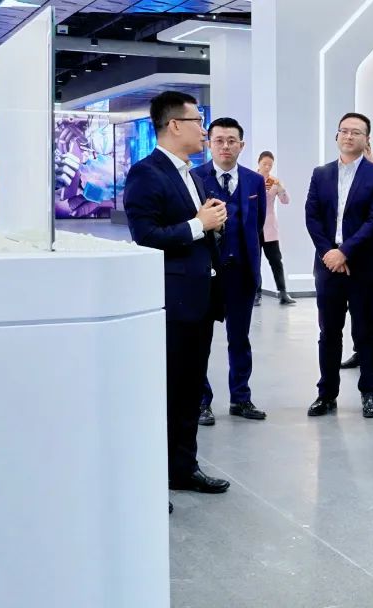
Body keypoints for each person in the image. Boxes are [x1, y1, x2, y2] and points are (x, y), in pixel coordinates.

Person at [123, 91, 229, 498]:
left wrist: (212, 223)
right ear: (174, 125)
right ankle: (156, 479)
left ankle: (183, 469)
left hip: (200, 300)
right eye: (198, 121)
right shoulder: (146, 174)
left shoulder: (192, 175)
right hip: (173, 303)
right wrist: (199, 224)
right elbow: (145, 236)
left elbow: (196, 228)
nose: (204, 130)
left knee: (189, 392)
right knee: (168, 393)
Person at [305, 113, 373, 418]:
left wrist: (345, 252)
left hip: (363, 266)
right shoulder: (321, 174)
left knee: (367, 331)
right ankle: (326, 394)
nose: (349, 136)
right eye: (344, 130)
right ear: (337, 136)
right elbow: (312, 216)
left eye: (356, 132)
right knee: (329, 332)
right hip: (328, 267)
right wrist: (329, 253)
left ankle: (370, 392)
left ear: (366, 139)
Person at [194, 117, 269, 424]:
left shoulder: (254, 181)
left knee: (240, 338)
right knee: (200, 341)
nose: (225, 146)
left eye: (231, 141)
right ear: (209, 144)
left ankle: (241, 398)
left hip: (242, 272)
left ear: (242, 145)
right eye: (219, 140)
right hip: (206, 274)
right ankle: (201, 401)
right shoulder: (195, 178)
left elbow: (257, 224)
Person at [256, 151, 296, 306]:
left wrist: (281, 188)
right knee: (255, 261)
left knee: (276, 261)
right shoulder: (251, 179)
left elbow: (285, 201)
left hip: (270, 227)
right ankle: (256, 293)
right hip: (254, 227)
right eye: (264, 164)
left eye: (270, 165)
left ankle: (283, 293)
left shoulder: (274, 181)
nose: (267, 167)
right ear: (259, 163)